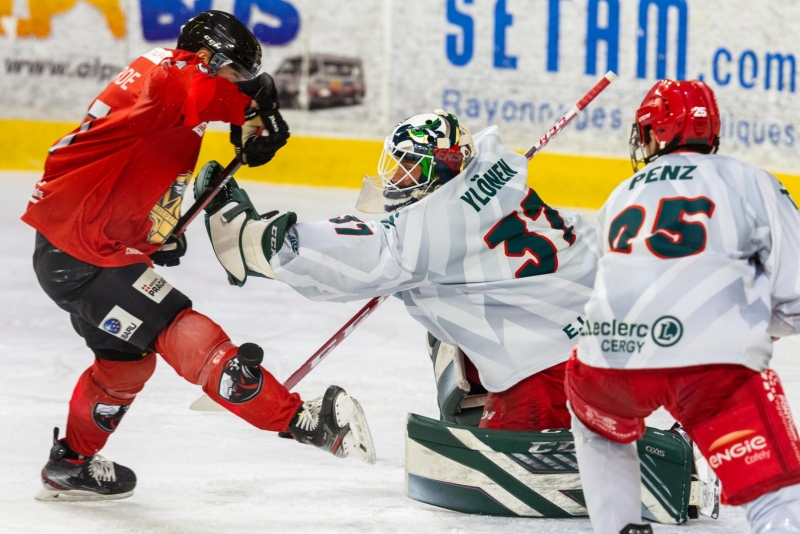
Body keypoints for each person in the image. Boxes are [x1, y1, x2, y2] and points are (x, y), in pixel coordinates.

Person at [22, 10, 375, 502]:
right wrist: (257, 107)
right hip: (85, 258)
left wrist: (152, 233)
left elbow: (143, 155)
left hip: (83, 245)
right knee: (176, 326)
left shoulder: (164, 80)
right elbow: (196, 91)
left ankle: (72, 464)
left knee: (125, 365)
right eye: (232, 72)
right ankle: (303, 421)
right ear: (207, 58)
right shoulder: (170, 77)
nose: (236, 85)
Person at [201, 109, 600, 432]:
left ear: (444, 168)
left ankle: (558, 421)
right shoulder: (494, 179)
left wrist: (256, 240)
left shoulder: (433, 229)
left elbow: (368, 255)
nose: (395, 177)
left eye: (409, 167)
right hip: (587, 331)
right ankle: (484, 389)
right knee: (440, 304)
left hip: (547, 366)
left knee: (499, 456)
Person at [565, 79, 800, 534]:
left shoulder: (621, 194)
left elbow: (610, 291)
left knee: (597, 429)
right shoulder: (751, 180)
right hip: (714, 372)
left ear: (653, 133)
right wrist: (749, 327)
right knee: (776, 496)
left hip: (608, 368)